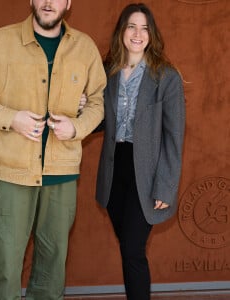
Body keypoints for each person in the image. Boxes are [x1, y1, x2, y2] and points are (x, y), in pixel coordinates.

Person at [0, 0, 106, 299]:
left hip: (61, 174)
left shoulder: (84, 48)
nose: (49, 2)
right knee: (8, 265)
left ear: (69, 3)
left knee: (52, 266)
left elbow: (99, 101)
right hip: (13, 173)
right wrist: (11, 119)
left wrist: (77, 128)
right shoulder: (1, 41)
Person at [95, 3, 185, 300]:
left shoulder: (166, 77)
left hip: (146, 173)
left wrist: (166, 186)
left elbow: (174, 136)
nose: (138, 33)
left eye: (145, 28)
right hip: (114, 171)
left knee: (133, 251)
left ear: (152, 34)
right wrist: (84, 109)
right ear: (122, 31)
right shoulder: (106, 72)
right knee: (128, 247)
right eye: (132, 26)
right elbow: (103, 121)